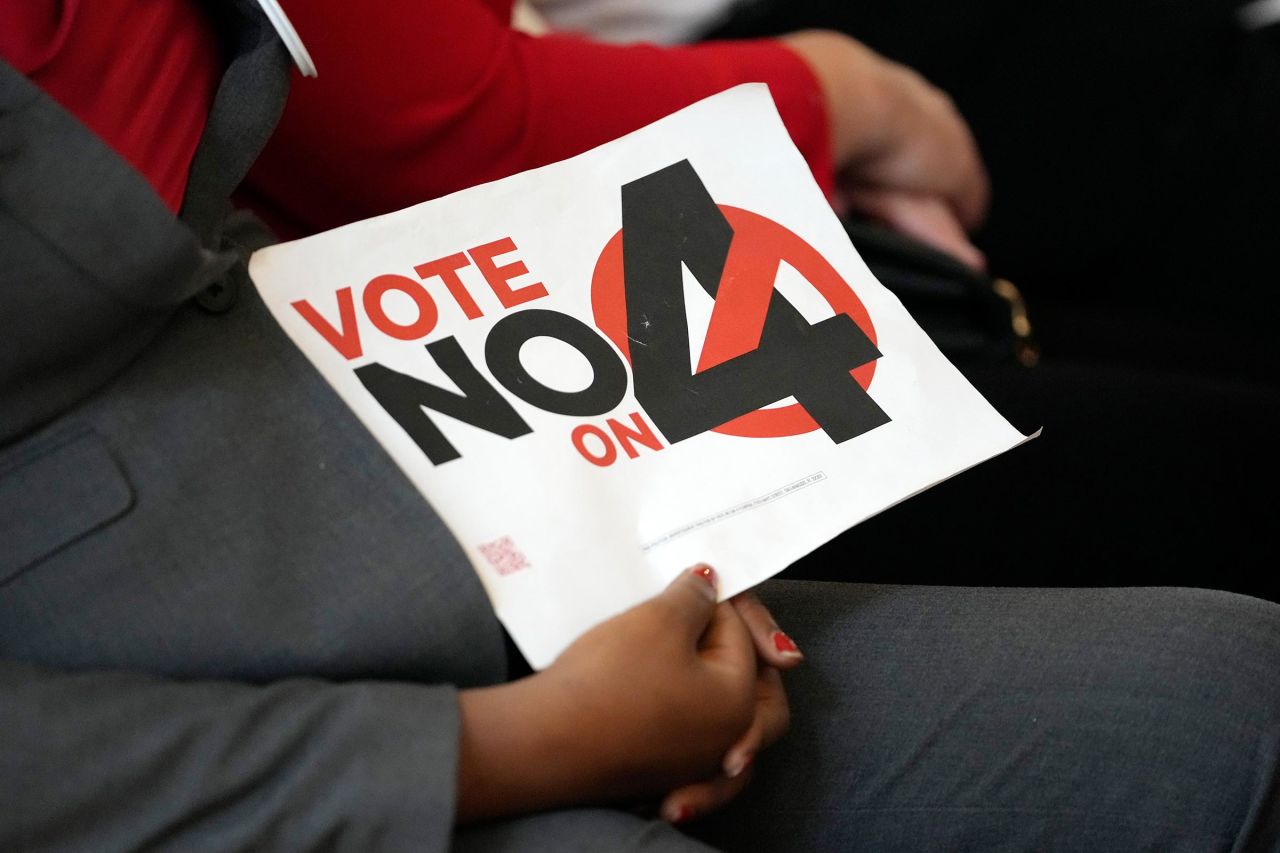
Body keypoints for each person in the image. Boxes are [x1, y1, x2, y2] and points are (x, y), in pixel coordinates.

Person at [2, 2, 1278, 850]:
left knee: (1232, 686)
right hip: (199, 706)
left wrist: (618, 523)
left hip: (390, 464)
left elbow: (242, 231)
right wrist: (504, 750)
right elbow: (430, 129)